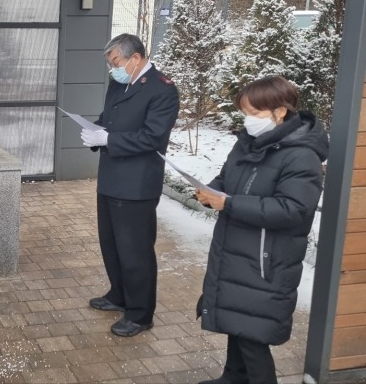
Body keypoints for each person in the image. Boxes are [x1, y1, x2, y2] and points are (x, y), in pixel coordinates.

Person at [194, 76, 328, 384]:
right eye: (244, 112)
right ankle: (233, 377)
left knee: (253, 336)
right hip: (235, 248)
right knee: (237, 320)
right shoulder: (248, 143)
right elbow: (226, 179)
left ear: (280, 112)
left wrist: (229, 204)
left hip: (266, 259)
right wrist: (208, 191)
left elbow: (293, 209)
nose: (247, 120)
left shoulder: (301, 155)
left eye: (254, 113)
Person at [81, 33, 179, 337]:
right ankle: (119, 295)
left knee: (135, 251)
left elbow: (153, 137)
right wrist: (94, 132)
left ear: (135, 58)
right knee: (111, 244)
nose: (113, 69)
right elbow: (108, 119)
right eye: (111, 64)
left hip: (137, 184)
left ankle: (140, 313)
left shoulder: (162, 90)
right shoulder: (119, 83)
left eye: (116, 62)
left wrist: (109, 139)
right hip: (111, 177)